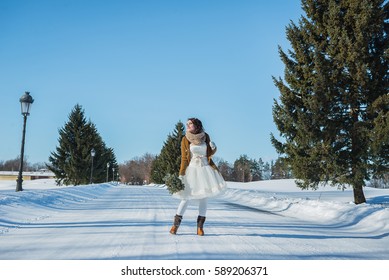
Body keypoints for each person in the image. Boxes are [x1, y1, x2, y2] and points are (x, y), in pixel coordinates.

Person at [169, 117, 227, 236]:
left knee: (203, 198)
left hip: (205, 169)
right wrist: (181, 174)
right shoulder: (185, 139)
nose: (188, 126)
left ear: (197, 125)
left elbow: (209, 153)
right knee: (185, 198)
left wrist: (214, 148)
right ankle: (175, 225)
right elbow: (184, 159)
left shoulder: (205, 136)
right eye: (187, 124)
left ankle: (200, 227)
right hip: (192, 170)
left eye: (190, 124)